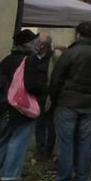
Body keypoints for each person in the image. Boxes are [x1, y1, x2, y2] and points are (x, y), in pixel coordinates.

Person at [0, 29, 47, 181]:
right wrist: (42, 91)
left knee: (1, 138)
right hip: (22, 107)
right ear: (28, 44)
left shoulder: (6, 60)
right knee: (18, 141)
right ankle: (9, 177)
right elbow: (33, 85)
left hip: (4, 105)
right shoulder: (30, 60)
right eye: (34, 41)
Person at [49, 21, 91, 181]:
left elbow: (57, 78)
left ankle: (64, 179)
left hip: (67, 102)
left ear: (78, 34)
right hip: (88, 101)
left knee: (66, 142)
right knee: (83, 140)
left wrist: (54, 100)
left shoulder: (71, 53)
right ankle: (82, 178)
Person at [33, 32, 56, 160]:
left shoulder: (53, 58)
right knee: (39, 122)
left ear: (43, 45)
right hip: (37, 94)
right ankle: (41, 149)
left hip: (49, 95)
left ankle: (48, 149)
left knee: (50, 123)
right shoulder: (34, 57)